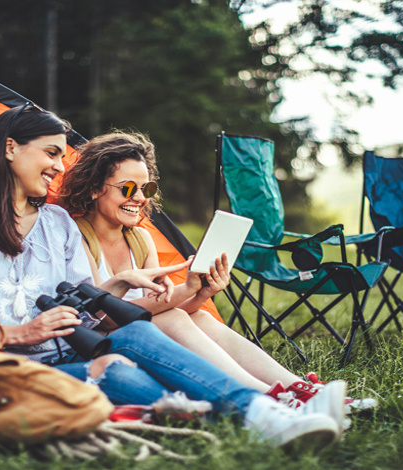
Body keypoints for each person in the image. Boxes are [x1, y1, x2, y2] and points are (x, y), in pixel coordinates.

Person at [0, 103, 347, 449]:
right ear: (10, 148)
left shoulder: (55, 222)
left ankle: (264, 412)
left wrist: (119, 285)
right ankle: (258, 415)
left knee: (133, 337)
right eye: (51, 154)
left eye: (62, 157)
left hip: (69, 354)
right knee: (115, 364)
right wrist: (21, 333)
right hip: (3, 370)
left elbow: (85, 302)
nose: (59, 167)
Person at [59, 131, 377, 414]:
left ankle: (298, 388)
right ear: (95, 187)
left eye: (147, 187)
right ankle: (269, 397)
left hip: (148, 338)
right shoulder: (77, 236)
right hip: (97, 348)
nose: (140, 198)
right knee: (173, 317)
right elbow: (104, 318)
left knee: (198, 316)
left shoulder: (140, 238)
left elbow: (164, 308)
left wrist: (203, 293)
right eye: (128, 188)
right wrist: (183, 292)